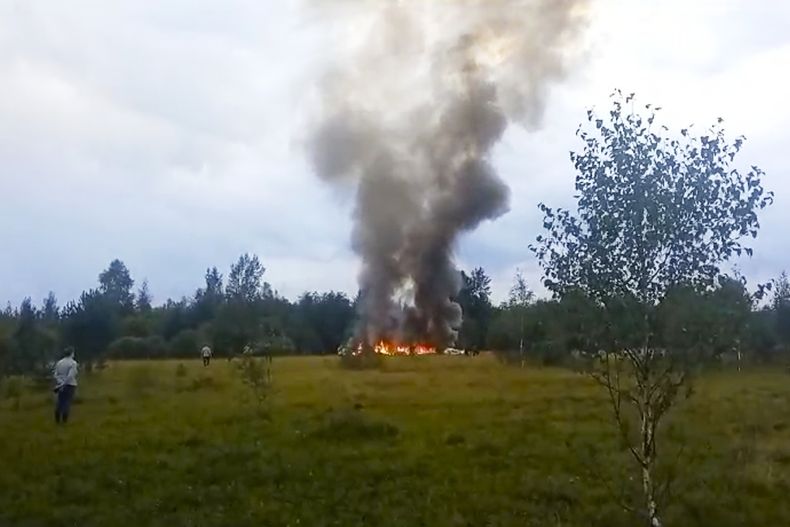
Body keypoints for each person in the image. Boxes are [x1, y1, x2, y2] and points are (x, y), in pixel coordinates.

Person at [53, 347, 78, 424]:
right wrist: (64, 384)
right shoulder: (73, 363)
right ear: (72, 353)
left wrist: (60, 383)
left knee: (60, 401)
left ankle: (57, 419)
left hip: (60, 384)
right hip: (70, 385)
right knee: (67, 402)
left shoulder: (59, 362)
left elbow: (55, 374)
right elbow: (70, 376)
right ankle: (64, 421)